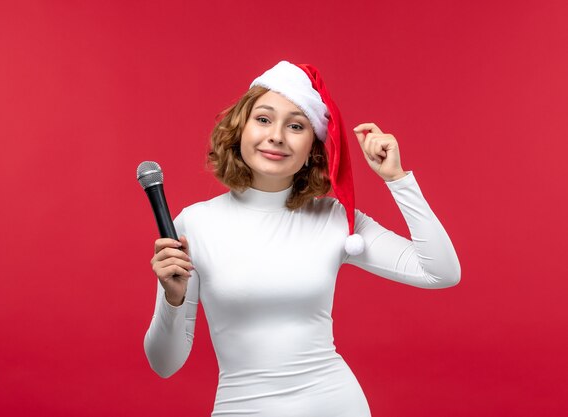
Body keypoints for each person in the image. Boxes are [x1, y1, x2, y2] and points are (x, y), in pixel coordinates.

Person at [144, 60, 461, 417]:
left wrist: (398, 179)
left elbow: (441, 272)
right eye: (263, 119)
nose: (276, 135)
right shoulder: (194, 224)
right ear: (240, 130)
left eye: (296, 125)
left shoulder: (334, 218)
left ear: (313, 146)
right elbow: (164, 364)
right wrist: (173, 300)